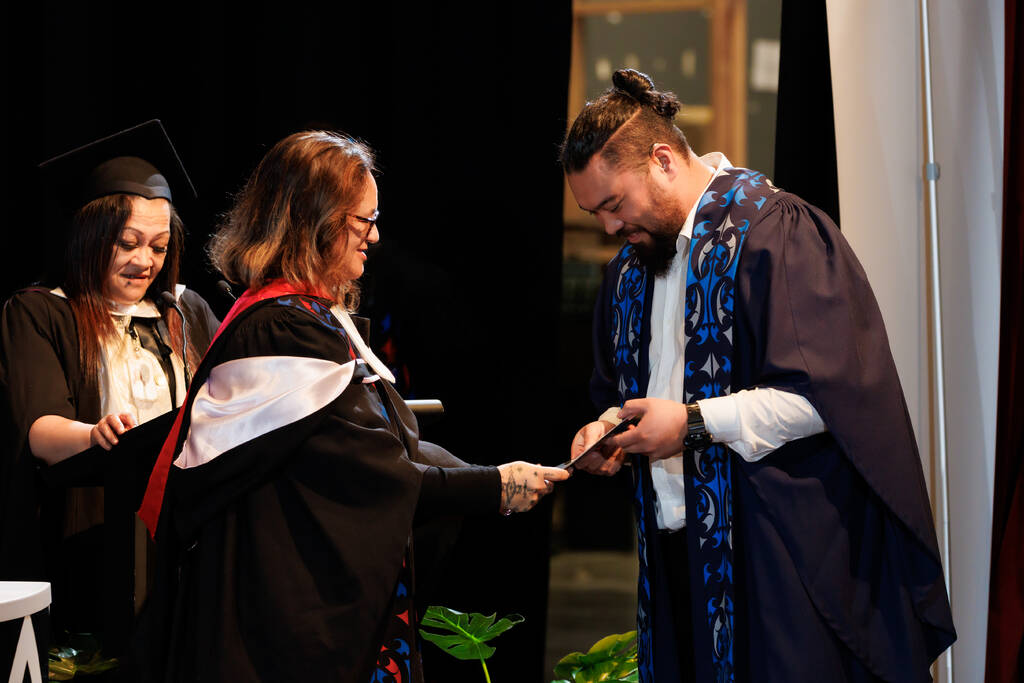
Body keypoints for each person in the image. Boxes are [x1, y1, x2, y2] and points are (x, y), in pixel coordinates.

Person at [561, 69, 956, 683]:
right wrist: (609, 428)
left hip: (775, 560)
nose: (609, 227)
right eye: (595, 212)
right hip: (672, 562)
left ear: (662, 160)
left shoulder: (777, 234)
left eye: (614, 204)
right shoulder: (630, 273)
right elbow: (623, 390)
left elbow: (826, 396)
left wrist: (691, 424)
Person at [133, 130, 569, 683]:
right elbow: (369, 470)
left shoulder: (307, 316)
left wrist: (490, 477)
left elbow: (388, 443)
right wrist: (493, 486)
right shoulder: (282, 330)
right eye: (364, 221)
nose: (375, 236)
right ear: (316, 222)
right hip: (282, 621)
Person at [0, 120, 220, 637]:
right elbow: (38, 429)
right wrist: (94, 436)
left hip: (184, 539)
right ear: (91, 237)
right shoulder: (43, 312)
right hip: (87, 540)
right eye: (128, 243)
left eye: (159, 247)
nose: (145, 262)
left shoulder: (184, 311)